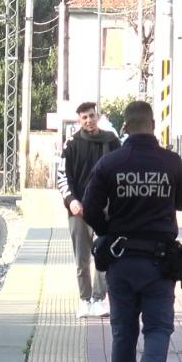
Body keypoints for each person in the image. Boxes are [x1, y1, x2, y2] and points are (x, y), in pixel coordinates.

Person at [80, 100, 182, 362]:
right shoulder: (171, 162)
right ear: (154, 125)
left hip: (121, 260)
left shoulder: (110, 163)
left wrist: (109, 231)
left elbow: (89, 209)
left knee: (123, 333)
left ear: (125, 127)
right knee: (158, 328)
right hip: (160, 263)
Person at [56, 102, 121, 318]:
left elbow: (121, 174)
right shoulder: (71, 144)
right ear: (79, 120)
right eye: (84, 117)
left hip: (105, 211)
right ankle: (84, 300)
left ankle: (99, 299)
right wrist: (71, 200)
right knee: (81, 258)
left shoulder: (112, 142)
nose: (88, 120)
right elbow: (63, 176)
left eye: (91, 116)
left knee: (104, 254)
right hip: (79, 210)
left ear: (98, 116)